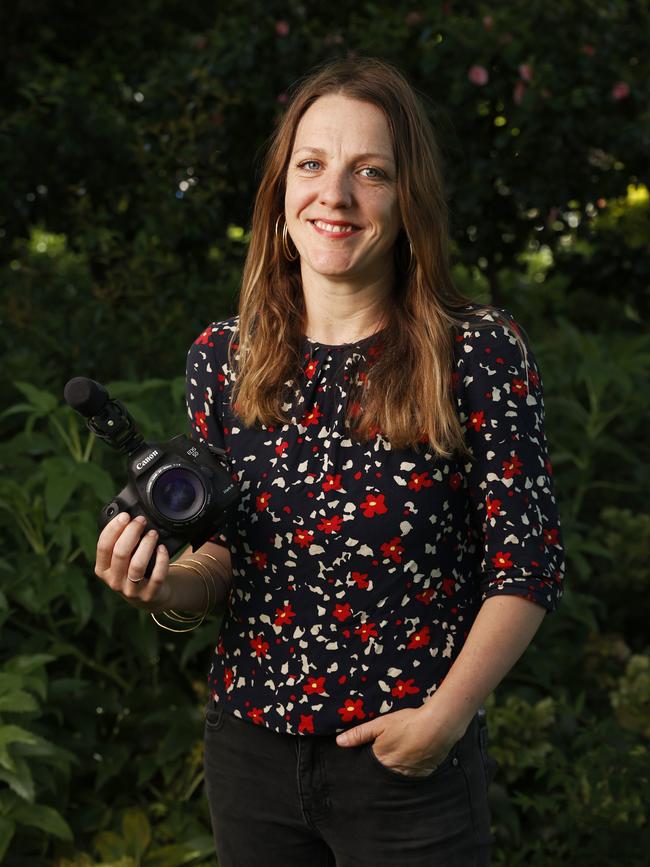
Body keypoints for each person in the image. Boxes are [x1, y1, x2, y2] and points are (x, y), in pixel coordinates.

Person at [95, 57, 566, 867]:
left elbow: (526, 565)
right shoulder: (225, 358)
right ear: (281, 194)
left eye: (369, 172)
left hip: (406, 763)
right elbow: (227, 555)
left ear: (406, 197)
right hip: (250, 756)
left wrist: (444, 719)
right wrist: (164, 585)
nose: (335, 195)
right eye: (311, 165)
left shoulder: (475, 351)